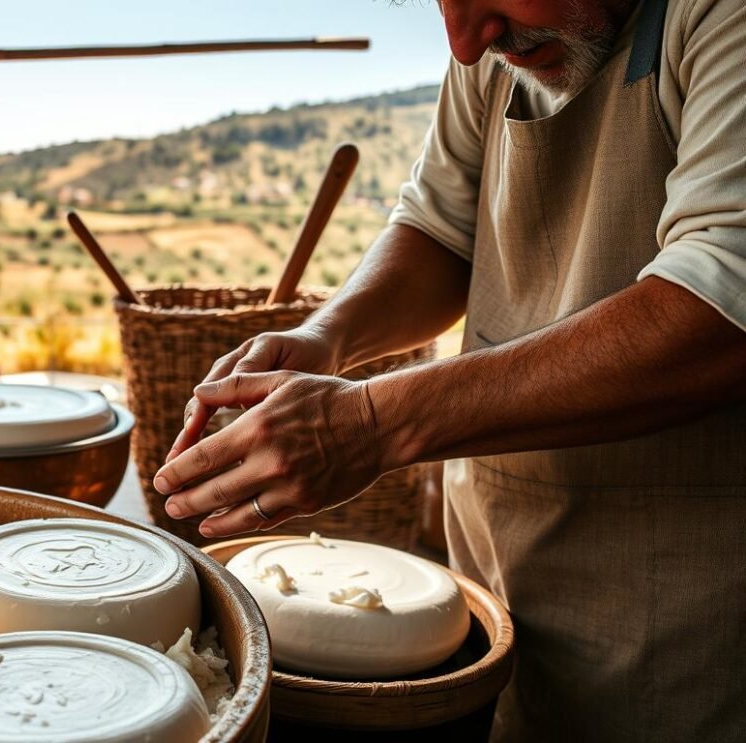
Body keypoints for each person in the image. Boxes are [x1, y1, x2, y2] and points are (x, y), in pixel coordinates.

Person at [153, 0, 746, 739]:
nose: (464, 44)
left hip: (688, 630)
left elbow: (720, 311)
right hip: (497, 581)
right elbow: (440, 229)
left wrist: (372, 421)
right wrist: (326, 336)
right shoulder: (497, 47)